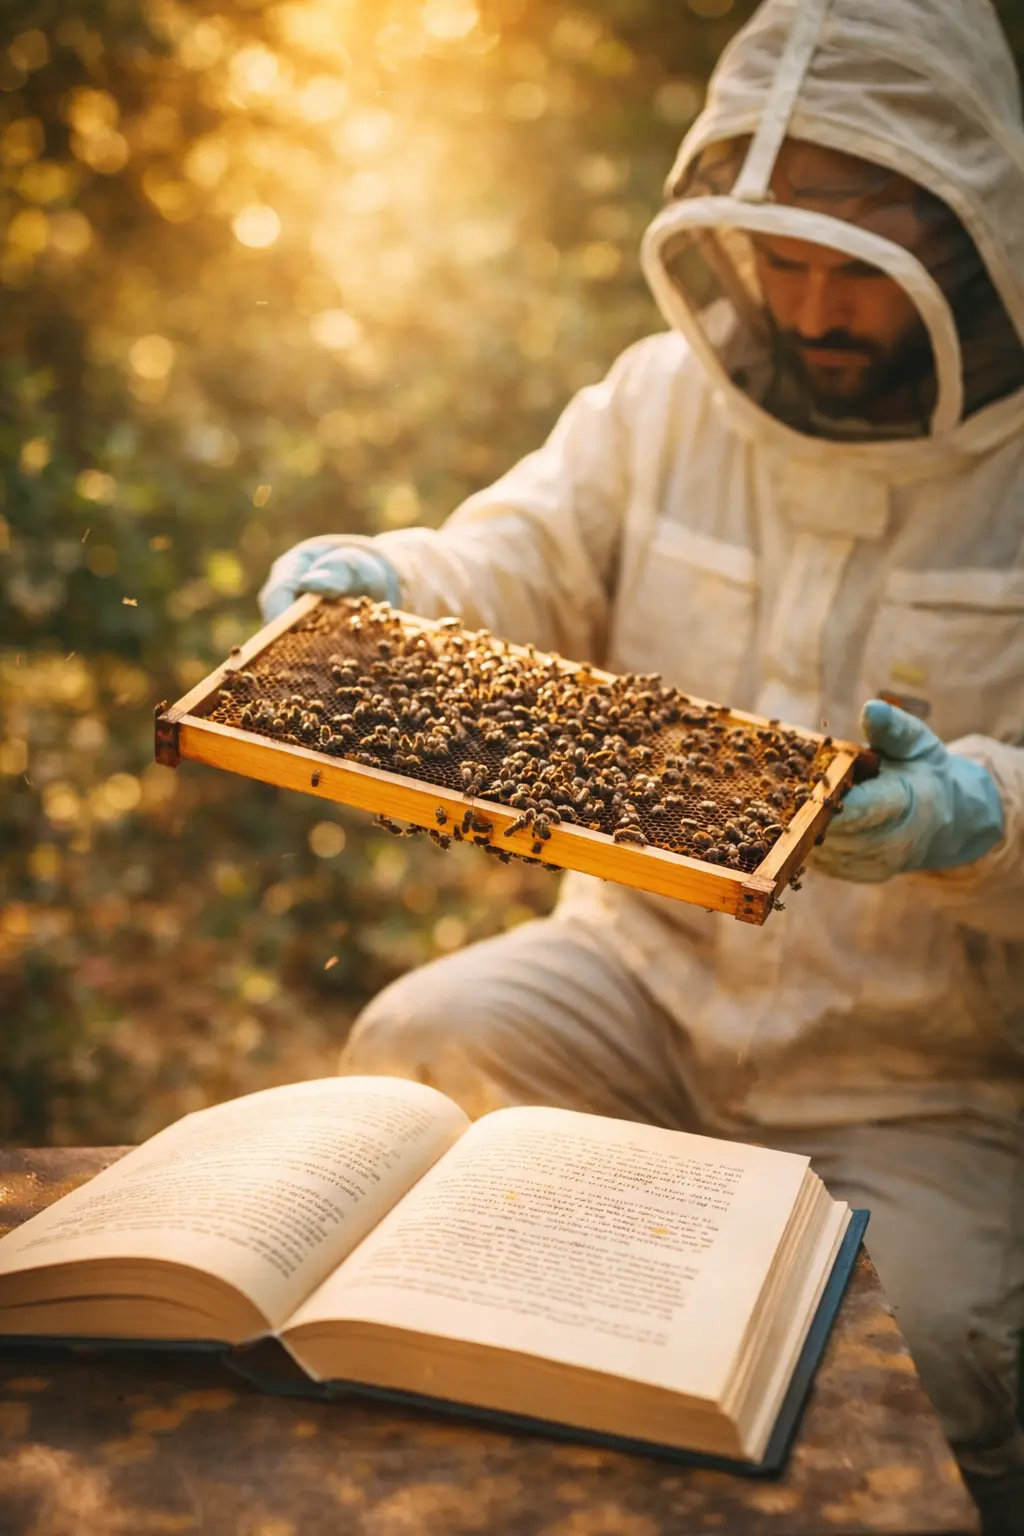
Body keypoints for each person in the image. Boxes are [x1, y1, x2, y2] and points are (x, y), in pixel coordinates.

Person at [259, 0, 1024, 1527]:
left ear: (963, 237)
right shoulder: (659, 400)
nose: (806, 304)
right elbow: (517, 557)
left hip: (921, 1078)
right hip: (636, 983)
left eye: (850, 268)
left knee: (916, 1354)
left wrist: (979, 816)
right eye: (778, 258)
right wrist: (391, 589)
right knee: (426, 1040)